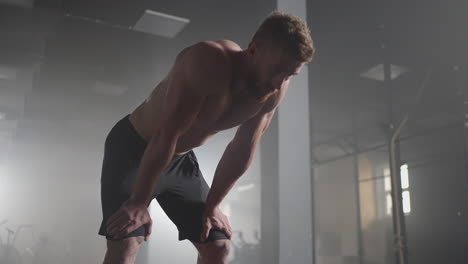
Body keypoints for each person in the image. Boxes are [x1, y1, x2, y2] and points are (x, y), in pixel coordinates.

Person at [98, 11, 315, 264]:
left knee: (218, 245)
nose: (279, 83)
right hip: (135, 148)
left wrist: (212, 206)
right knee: (127, 240)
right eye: (277, 70)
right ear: (253, 50)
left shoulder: (273, 91)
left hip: (179, 161)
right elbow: (166, 134)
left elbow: (242, 147)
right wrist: (138, 201)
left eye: (290, 75)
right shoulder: (209, 61)